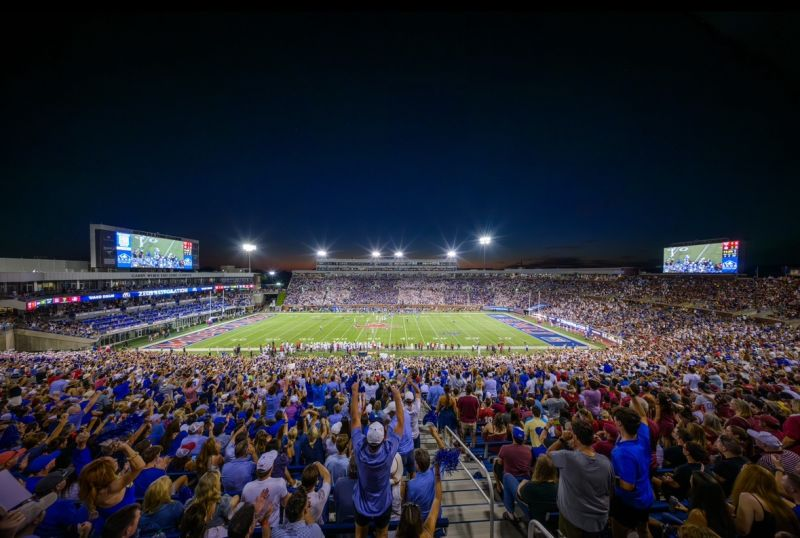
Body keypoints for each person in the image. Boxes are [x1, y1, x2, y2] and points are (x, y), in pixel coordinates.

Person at [351, 380, 404, 538]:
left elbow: (355, 419)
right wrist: (397, 397)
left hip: (361, 504)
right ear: (383, 438)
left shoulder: (359, 447)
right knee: (382, 533)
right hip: (383, 504)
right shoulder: (388, 450)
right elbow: (401, 423)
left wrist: (354, 393)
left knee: (360, 534)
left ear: (366, 437)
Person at [547, 419, 614, 538]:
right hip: (599, 521)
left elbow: (549, 453)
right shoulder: (606, 462)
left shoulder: (567, 458)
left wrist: (562, 439)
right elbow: (610, 491)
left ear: (576, 438)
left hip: (574, 521)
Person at [77, 442, 145, 535]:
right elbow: (140, 465)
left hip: (106, 527)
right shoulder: (112, 488)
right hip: (126, 528)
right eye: (113, 462)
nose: (116, 460)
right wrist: (125, 447)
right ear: (108, 475)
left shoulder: (93, 488)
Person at [610, 403, 654, 538]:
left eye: (615, 420)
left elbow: (628, 486)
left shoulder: (622, 453)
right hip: (646, 494)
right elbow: (643, 416)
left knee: (619, 531)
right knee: (644, 530)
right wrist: (634, 398)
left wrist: (611, 479)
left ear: (620, 424)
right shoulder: (643, 434)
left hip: (629, 501)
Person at [731, 463, 800, 537]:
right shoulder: (780, 501)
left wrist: (728, 514)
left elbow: (743, 530)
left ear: (744, 479)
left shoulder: (747, 496)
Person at [241, 450, 289, 528]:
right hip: (272, 530)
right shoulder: (280, 483)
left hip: (252, 530)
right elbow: (286, 503)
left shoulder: (247, 487)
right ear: (271, 468)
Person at [496, 426, 533, 522]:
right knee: (507, 478)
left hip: (511, 478)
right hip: (526, 478)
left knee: (506, 476)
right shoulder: (529, 449)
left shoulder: (505, 448)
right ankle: (510, 512)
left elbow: (499, 463)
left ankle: (511, 512)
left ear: (513, 436)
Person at [396, 463, 442, 538]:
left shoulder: (411, 483)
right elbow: (437, 499)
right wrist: (437, 475)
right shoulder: (427, 533)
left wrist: (402, 481)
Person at [516, 455, 558, 525]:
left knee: (508, 478)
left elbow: (519, 495)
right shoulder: (561, 488)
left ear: (537, 469)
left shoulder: (531, 486)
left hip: (536, 520)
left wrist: (521, 484)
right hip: (555, 522)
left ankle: (510, 513)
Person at [333, 457, 359, 524]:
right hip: (360, 528)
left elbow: (335, 500)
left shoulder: (339, 482)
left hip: (341, 528)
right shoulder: (366, 484)